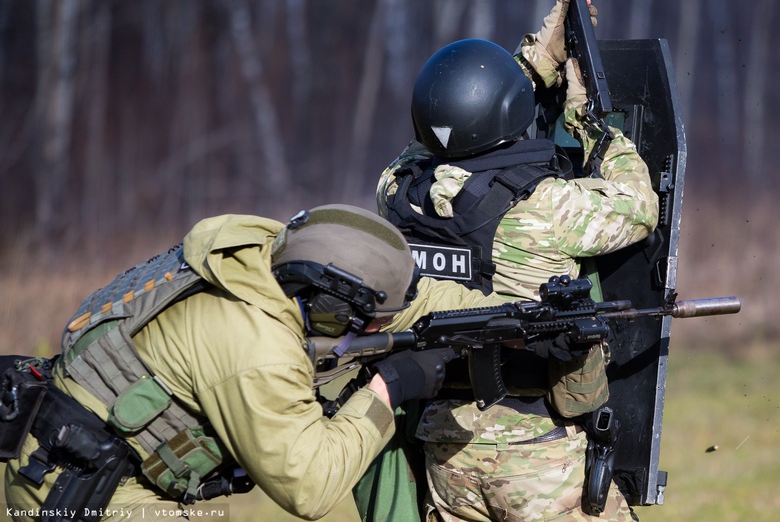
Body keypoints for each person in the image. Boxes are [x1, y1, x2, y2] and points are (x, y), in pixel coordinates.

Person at [2, 204, 504, 521]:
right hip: (81, 491)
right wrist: (388, 389)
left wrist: (508, 314)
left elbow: (407, 303)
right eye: (367, 322)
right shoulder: (257, 346)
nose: (375, 331)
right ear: (329, 305)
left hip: (74, 455)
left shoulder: (261, 259)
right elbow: (310, 487)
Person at [373, 0, 659, 522]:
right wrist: (588, 121)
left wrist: (529, 65)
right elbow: (640, 207)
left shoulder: (397, 192)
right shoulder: (542, 208)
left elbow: (436, 138)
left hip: (445, 447)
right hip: (539, 452)